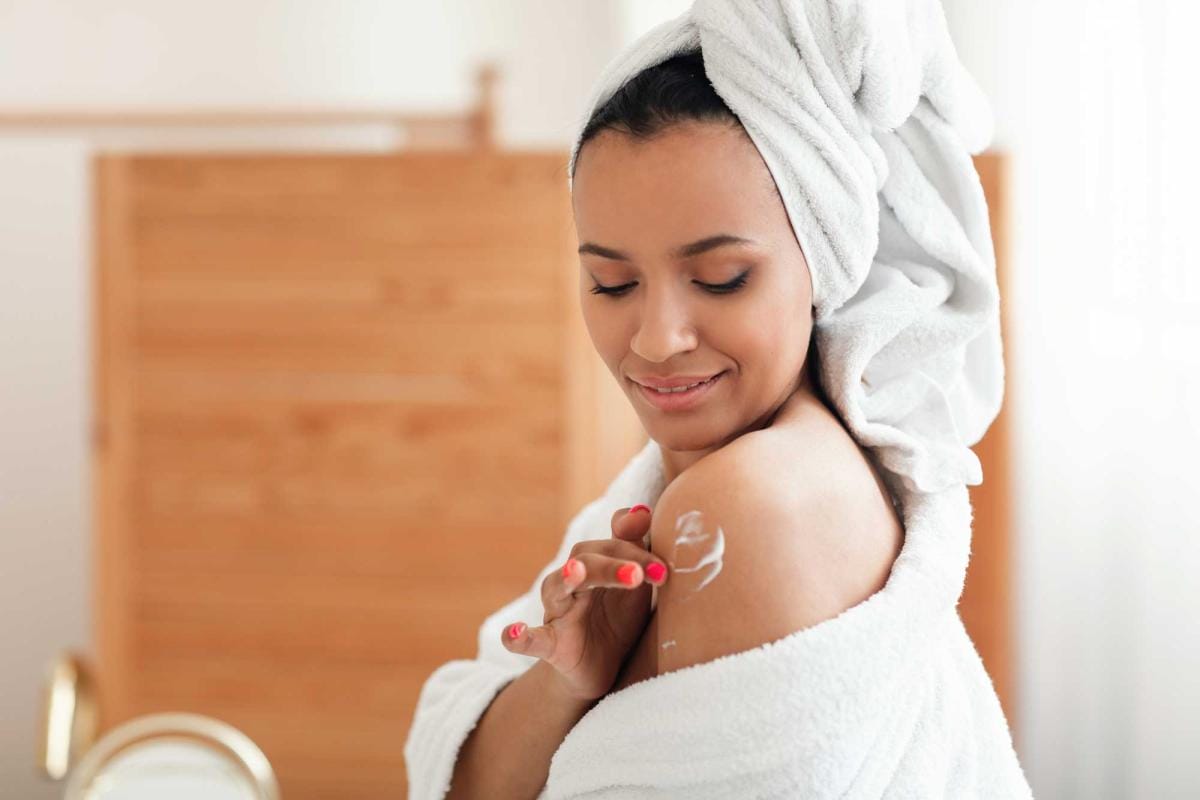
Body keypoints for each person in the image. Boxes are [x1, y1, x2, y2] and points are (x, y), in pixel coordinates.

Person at [404, 51, 906, 800]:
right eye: (614, 283)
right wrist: (567, 681)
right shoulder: (674, 484)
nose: (654, 339)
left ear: (823, 260)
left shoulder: (749, 499)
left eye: (720, 279)